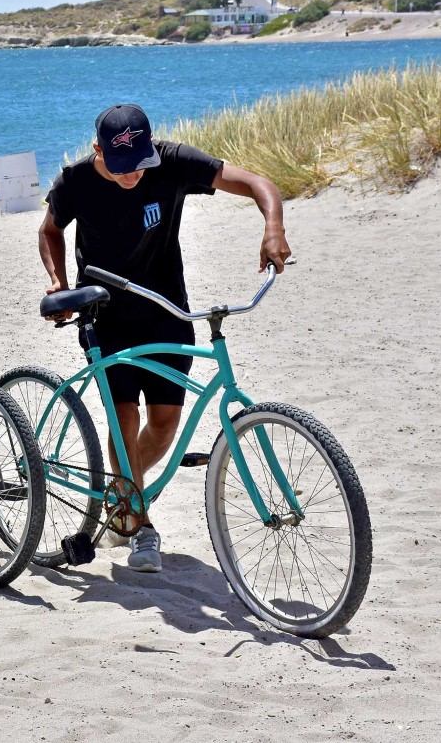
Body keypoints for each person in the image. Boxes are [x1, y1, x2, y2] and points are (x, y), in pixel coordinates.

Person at [38, 103, 291, 573]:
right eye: (120, 168)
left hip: (167, 312)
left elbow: (257, 183)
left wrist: (272, 226)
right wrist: (58, 281)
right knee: (123, 419)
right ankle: (137, 524)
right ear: (98, 152)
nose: (133, 175)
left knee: (164, 427)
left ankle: (122, 491)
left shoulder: (172, 162)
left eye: (140, 164)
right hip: (105, 317)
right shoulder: (74, 182)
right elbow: (50, 231)